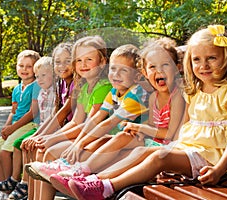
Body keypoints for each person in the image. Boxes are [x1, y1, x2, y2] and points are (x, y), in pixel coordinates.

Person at [67, 25, 227, 200]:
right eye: (197, 60)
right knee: (146, 151)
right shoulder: (195, 91)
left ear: (225, 57)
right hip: (192, 150)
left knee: (159, 158)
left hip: (215, 159)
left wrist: (218, 170)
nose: (204, 65)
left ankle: (107, 188)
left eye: (211, 58)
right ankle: (95, 180)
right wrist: (173, 153)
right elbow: (185, 130)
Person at [49, 37, 185, 197]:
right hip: (150, 141)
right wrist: (142, 130)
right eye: (153, 66)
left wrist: (139, 127)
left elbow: (169, 134)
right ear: (145, 72)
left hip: (166, 147)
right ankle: (82, 172)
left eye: (165, 65)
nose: (159, 71)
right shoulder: (154, 97)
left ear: (177, 68)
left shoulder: (175, 97)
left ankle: (93, 179)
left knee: (118, 141)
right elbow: (151, 126)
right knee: (120, 137)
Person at [27, 44, 150, 200]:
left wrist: (78, 144)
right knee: (93, 143)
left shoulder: (135, 94)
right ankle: (66, 169)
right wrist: (78, 143)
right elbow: (96, 119)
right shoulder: (114, 91)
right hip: (116, 139)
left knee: (99, 143)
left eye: (123, 70)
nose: (116, 74)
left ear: (137, 76)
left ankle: (77, 171)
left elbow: (109, 123)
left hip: (138, 141)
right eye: (113, 69)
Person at [26, 35, 113, 200]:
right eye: (79, 60)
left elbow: (90, 125)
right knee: (42, 148)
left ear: (102, 62)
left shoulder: (103, 87)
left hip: (99, 141)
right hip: (85, 136)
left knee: (49, 151)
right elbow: (76, 121)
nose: (83, 64)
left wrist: (52, 140)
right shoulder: (84, 86)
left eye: (89, 59)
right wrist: (49, 137)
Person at [0, 56, 55, 200]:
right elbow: (13, 110)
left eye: (29, 66)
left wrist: (13, 128)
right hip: (30, 126)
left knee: (12, 148)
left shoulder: (39, 88)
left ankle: (16, 183)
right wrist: (7, 125)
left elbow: (34, 112)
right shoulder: (19, 89)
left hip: (35, 126)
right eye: (21, 65)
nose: (24, 69)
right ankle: (8, 187)